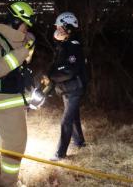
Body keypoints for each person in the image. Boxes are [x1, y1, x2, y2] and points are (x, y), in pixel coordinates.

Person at [0, 1, 36, 186]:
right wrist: (20, 53)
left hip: (15, 100)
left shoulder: (16, 41)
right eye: (24, 24)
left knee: (8, 138)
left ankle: (4, 170)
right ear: (14, 22)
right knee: (16, 143)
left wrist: (27, 45)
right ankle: (9, 182)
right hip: (6, 101)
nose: (26, 29)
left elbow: (23, 58)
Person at [43, 12, 87, 161]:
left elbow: (69, 70)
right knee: (73, 116)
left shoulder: (74, 46)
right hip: (67, 87)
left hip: (74, 87)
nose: (58, 30)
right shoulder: (65, 44)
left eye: (61, 27)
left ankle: (60, 153)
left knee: (66, 120)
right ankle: (79, 142)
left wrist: (52, 77)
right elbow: (57, 64)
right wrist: (49, 75)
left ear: (68, 27)